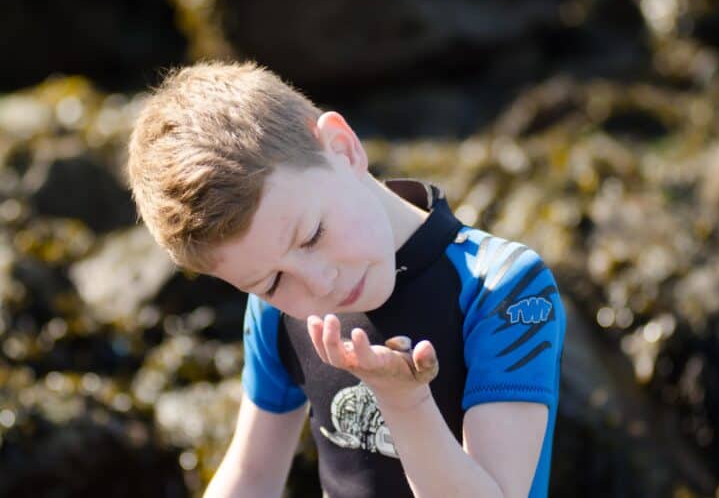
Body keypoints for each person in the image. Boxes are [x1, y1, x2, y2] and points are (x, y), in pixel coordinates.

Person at [126, 61, 566, 498]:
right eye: (272, 281)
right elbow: (252, 476)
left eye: (313, 235)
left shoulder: (503, 288)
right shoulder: (274, 313)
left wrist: (404, 402)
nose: (319, 284)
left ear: (343, 148)